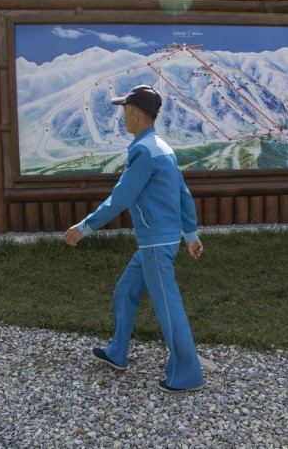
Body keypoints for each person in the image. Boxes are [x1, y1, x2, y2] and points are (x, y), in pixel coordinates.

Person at [63, 84, 205, 393]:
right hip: (155, 243)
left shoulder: (143, 151)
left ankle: (187, 374)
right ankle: (117, 352)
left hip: (155, 244)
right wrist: (190, 235)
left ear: (136, 114)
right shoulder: (162, 148)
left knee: (169, 309)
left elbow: (121, 197)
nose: (122, 117)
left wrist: (83, 227)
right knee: (124, 292)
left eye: (124, 111)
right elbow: (184, 195)